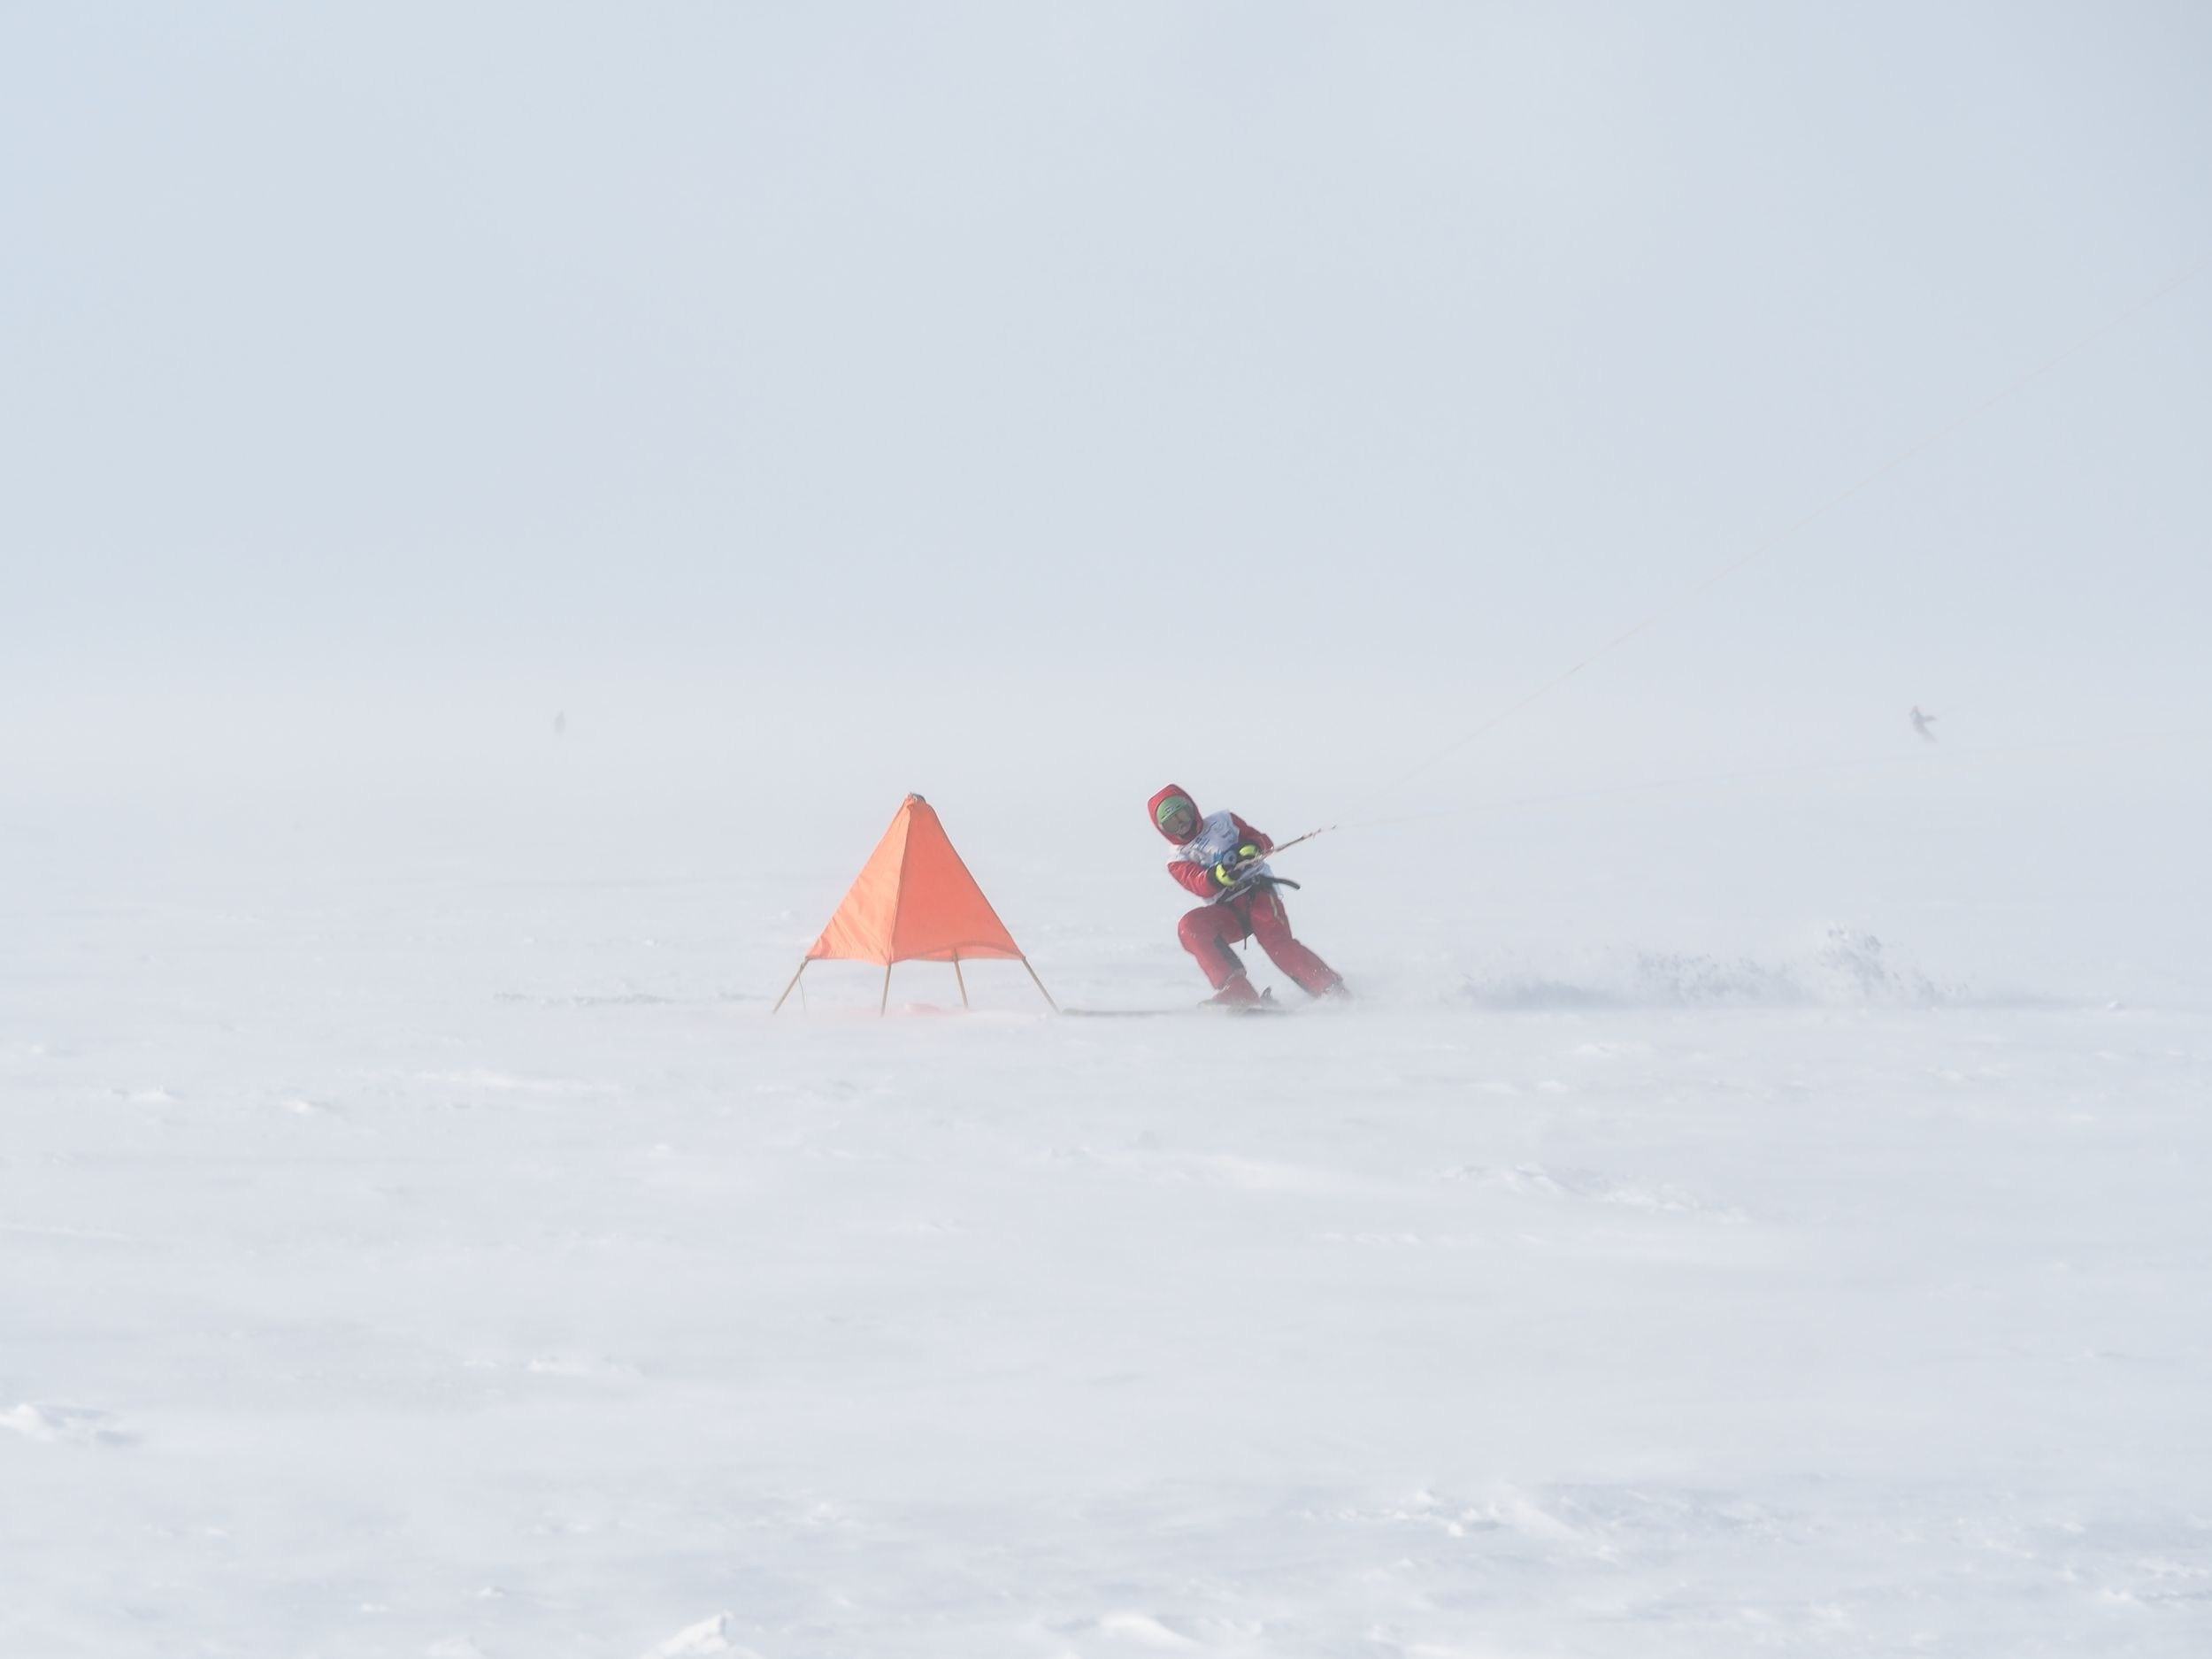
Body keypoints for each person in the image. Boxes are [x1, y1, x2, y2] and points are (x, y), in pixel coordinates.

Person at [1148, 784, 1345, 1005]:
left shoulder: (1224, 822)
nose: (1182, 825)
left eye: (1184, 816)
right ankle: (1238, 989)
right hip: (1227, 911)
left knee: (1277, 942)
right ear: (1164, 830)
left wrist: (1249, 848)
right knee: (1190, 927)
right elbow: (1198, 883)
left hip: (1257, 894)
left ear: (1192, 809)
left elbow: (1262, 841)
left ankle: (1329, 988)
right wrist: (1219, 875)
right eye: (1173, 824)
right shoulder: (1177, 859)